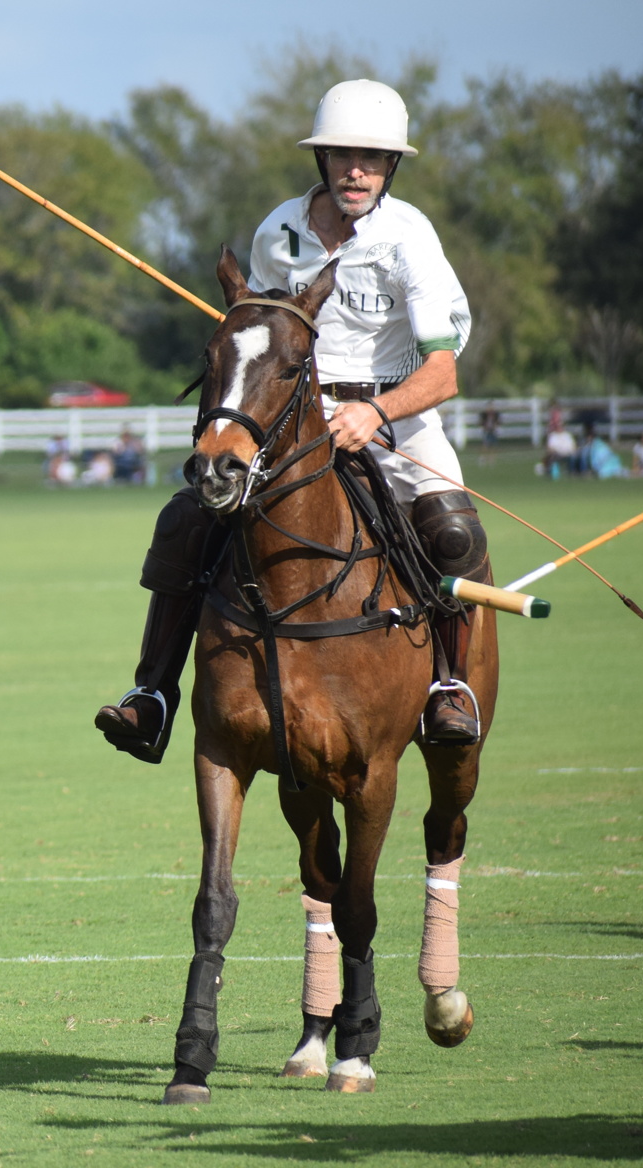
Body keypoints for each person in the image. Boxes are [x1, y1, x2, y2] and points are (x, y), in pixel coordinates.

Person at [95, 78, 488, 759]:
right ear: (323, 160)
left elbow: (443, 370)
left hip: (392, 413)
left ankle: (447, 687)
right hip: (290, 418)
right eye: (342, 156)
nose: (356, 171)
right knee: (190, 521)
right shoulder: (278, 233)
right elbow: (262, 329)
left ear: (391, 165)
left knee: (452, 532)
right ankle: (153, 694)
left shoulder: (409, 241)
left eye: (371, 158)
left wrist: (374, 411)